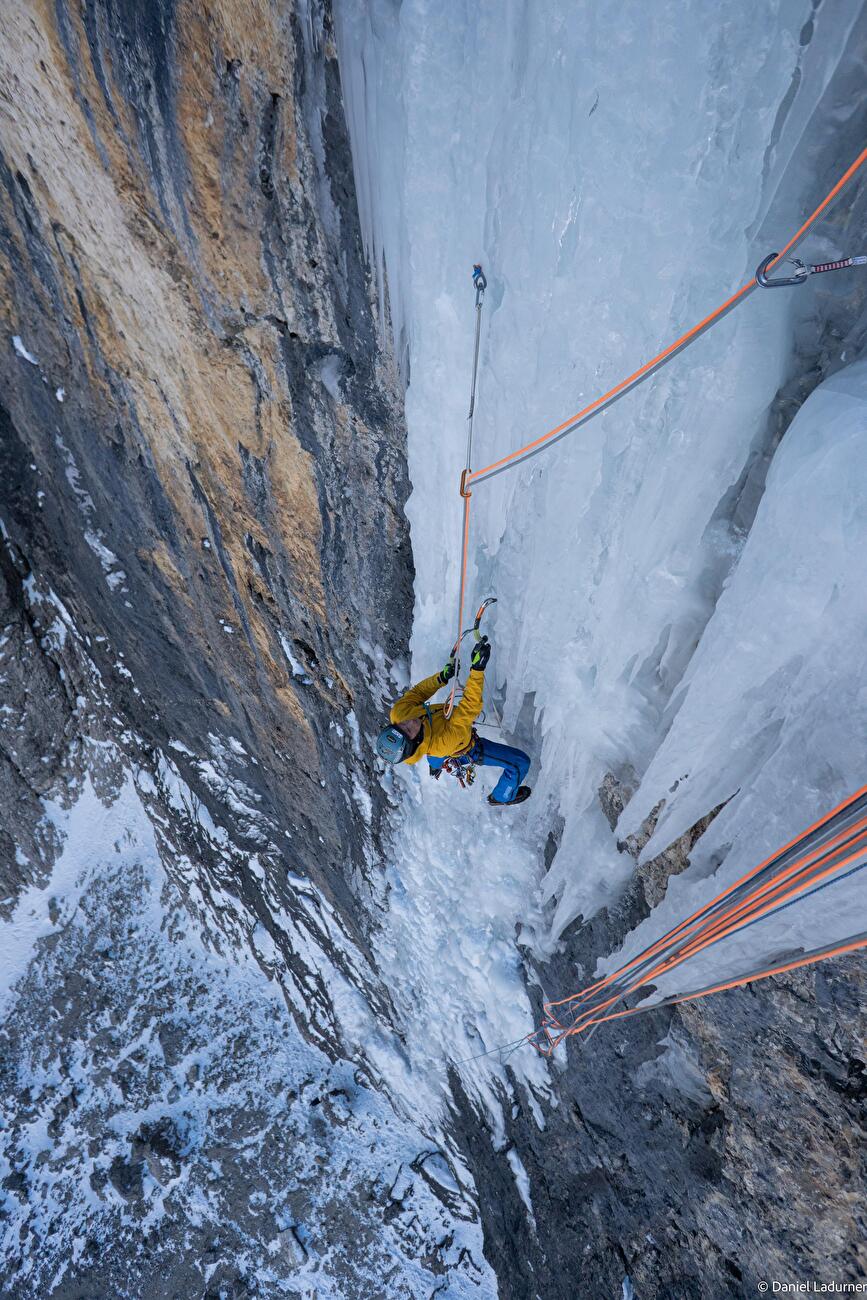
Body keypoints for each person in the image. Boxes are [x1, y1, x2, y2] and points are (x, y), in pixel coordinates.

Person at [375, 636, 532, 806]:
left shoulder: (399, 713)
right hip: (467, 747)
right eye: (409, 730)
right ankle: (502, 797)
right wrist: (477, 669)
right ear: (416, 741)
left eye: (400, 725)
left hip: (438, 737)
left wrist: (440, 678)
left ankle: (435, 766)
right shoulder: (443, 742)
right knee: (520, 762)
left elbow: (417, 694)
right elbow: (468, 708)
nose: (408, 722)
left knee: (435, 758)